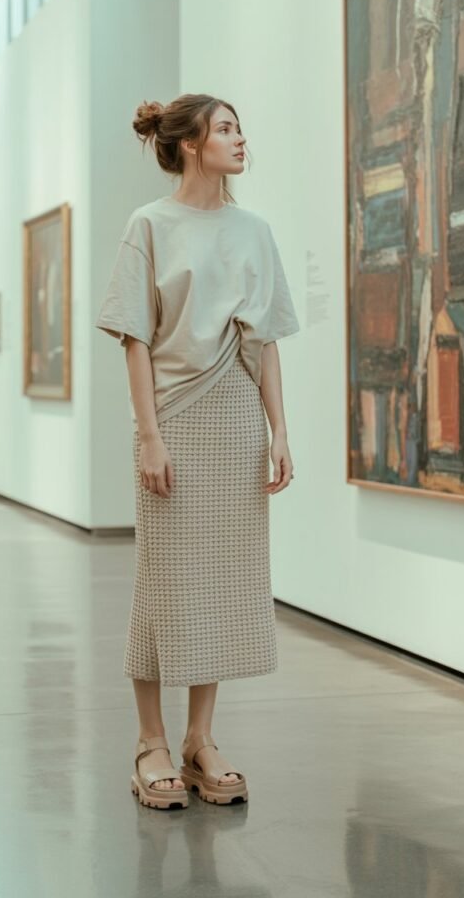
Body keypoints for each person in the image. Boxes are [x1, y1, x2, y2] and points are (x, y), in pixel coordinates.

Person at [95, 93, 300, 809]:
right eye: (224, 128)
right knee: (166, 583)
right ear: (187, 143)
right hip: (175, 420)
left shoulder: (255, 230)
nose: (240, 139)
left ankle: (199, 739)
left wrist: (279, 430)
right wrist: (148, 435)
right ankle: (150, 742)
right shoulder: (148, 225)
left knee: (221, 583)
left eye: (241, 127)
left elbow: (264, 340)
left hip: (237, 418)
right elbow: (134, 337)